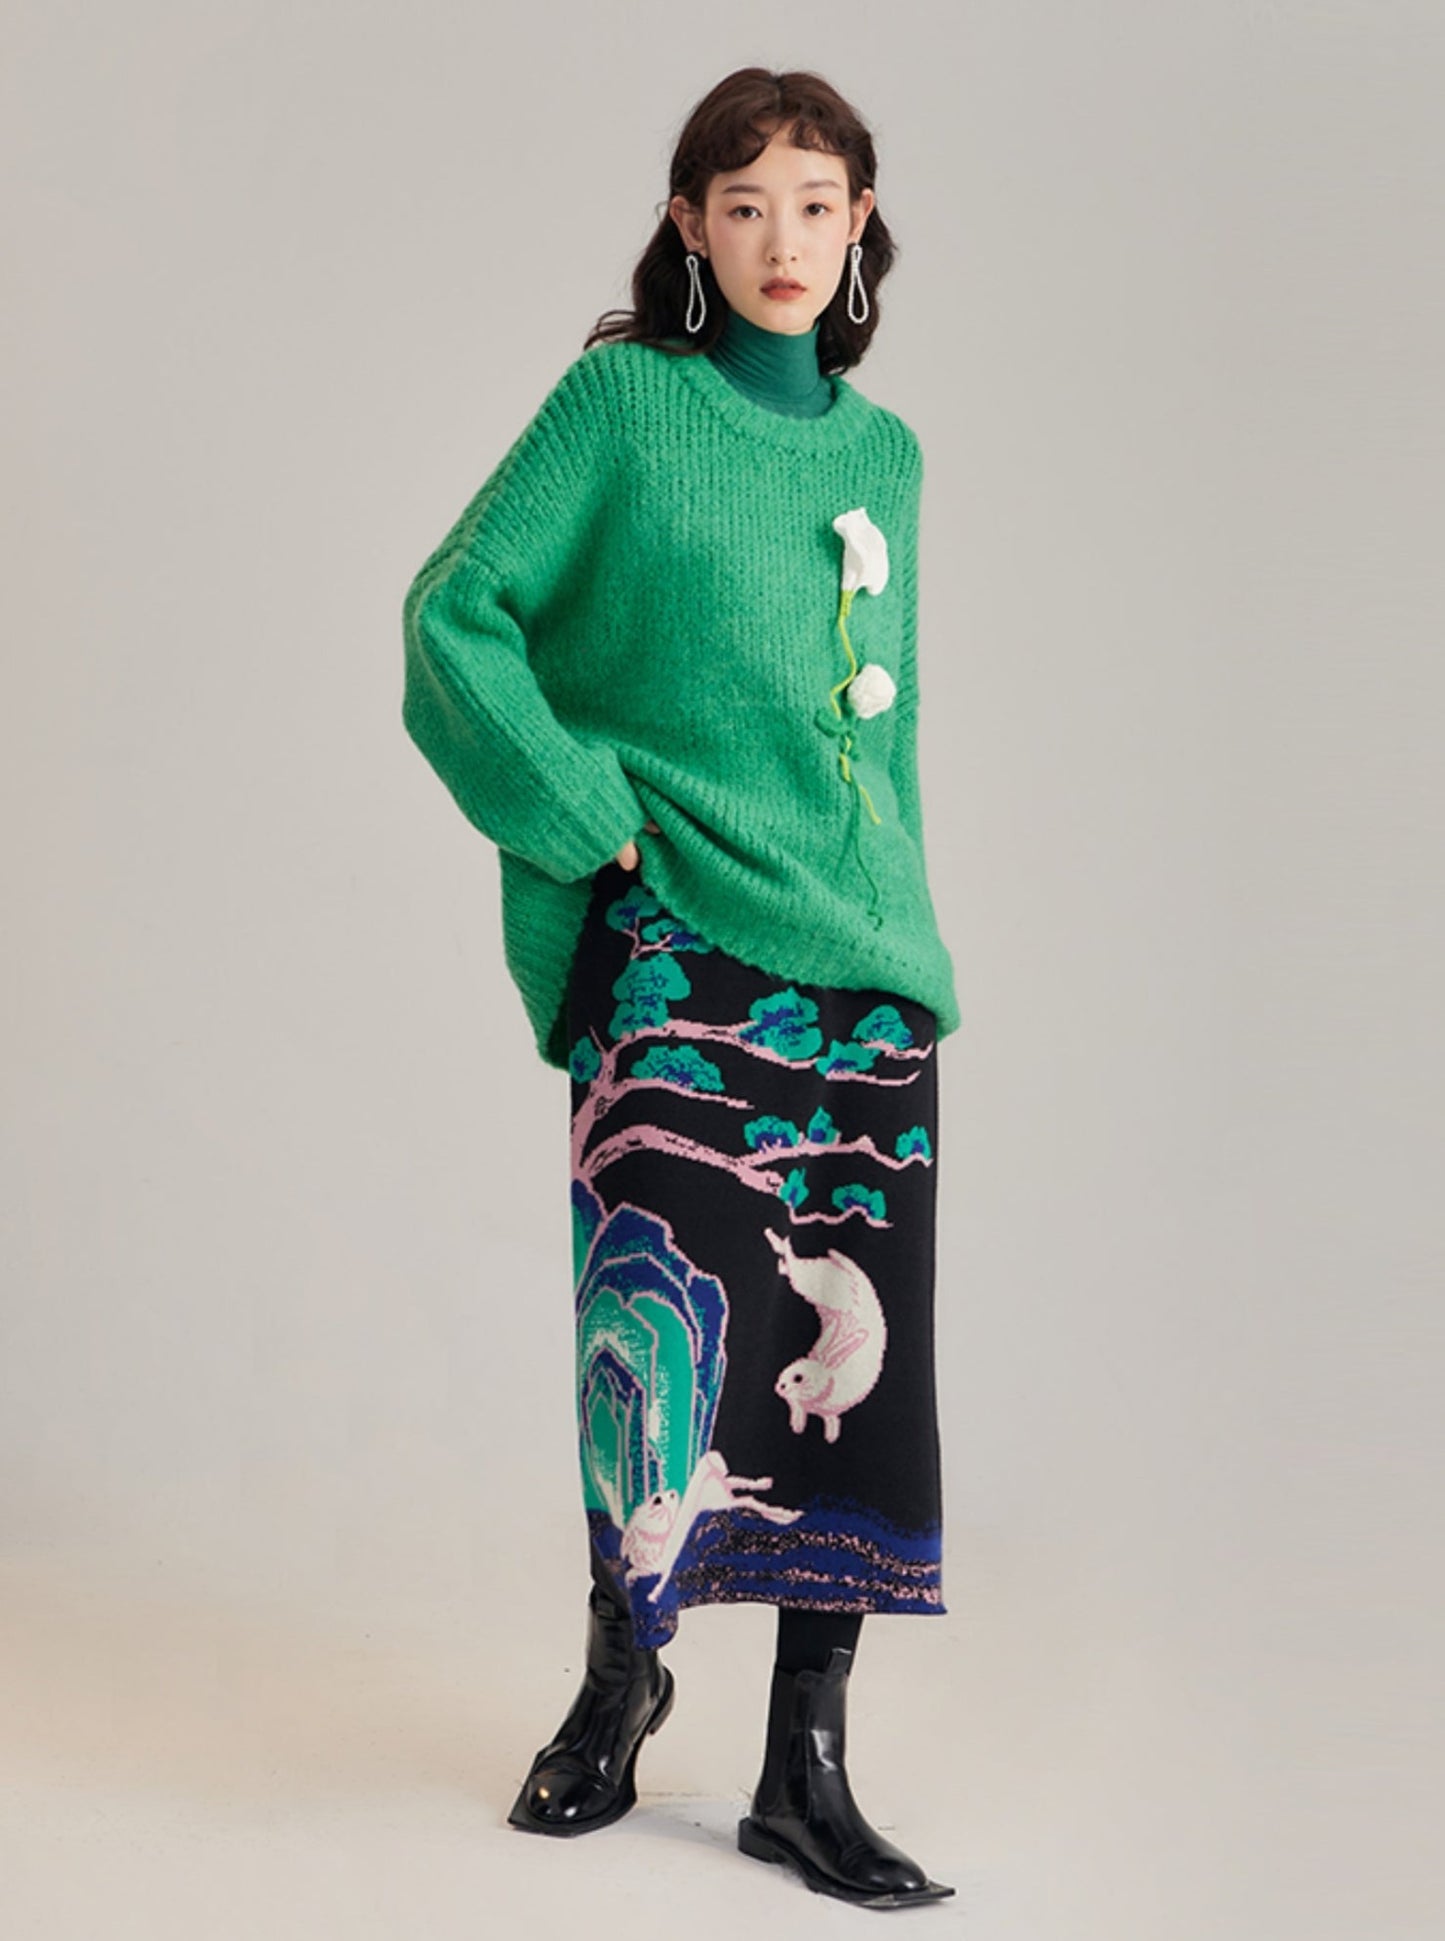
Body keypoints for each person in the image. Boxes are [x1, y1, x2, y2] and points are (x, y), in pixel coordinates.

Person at [401, 67, 960, 1910]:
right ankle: (618, 1680)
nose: (781, 238)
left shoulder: (887, 458)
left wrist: (909, 934)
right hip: (681, 951)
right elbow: (454, 612)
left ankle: (806, 1762)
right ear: (687, 225)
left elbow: (884, 736)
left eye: (815, 201)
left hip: (861, 972)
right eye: (743, 203)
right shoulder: (623, 406)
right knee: (651, 1330)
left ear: (860, 221)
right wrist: (583, 813)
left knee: (856, 1375)